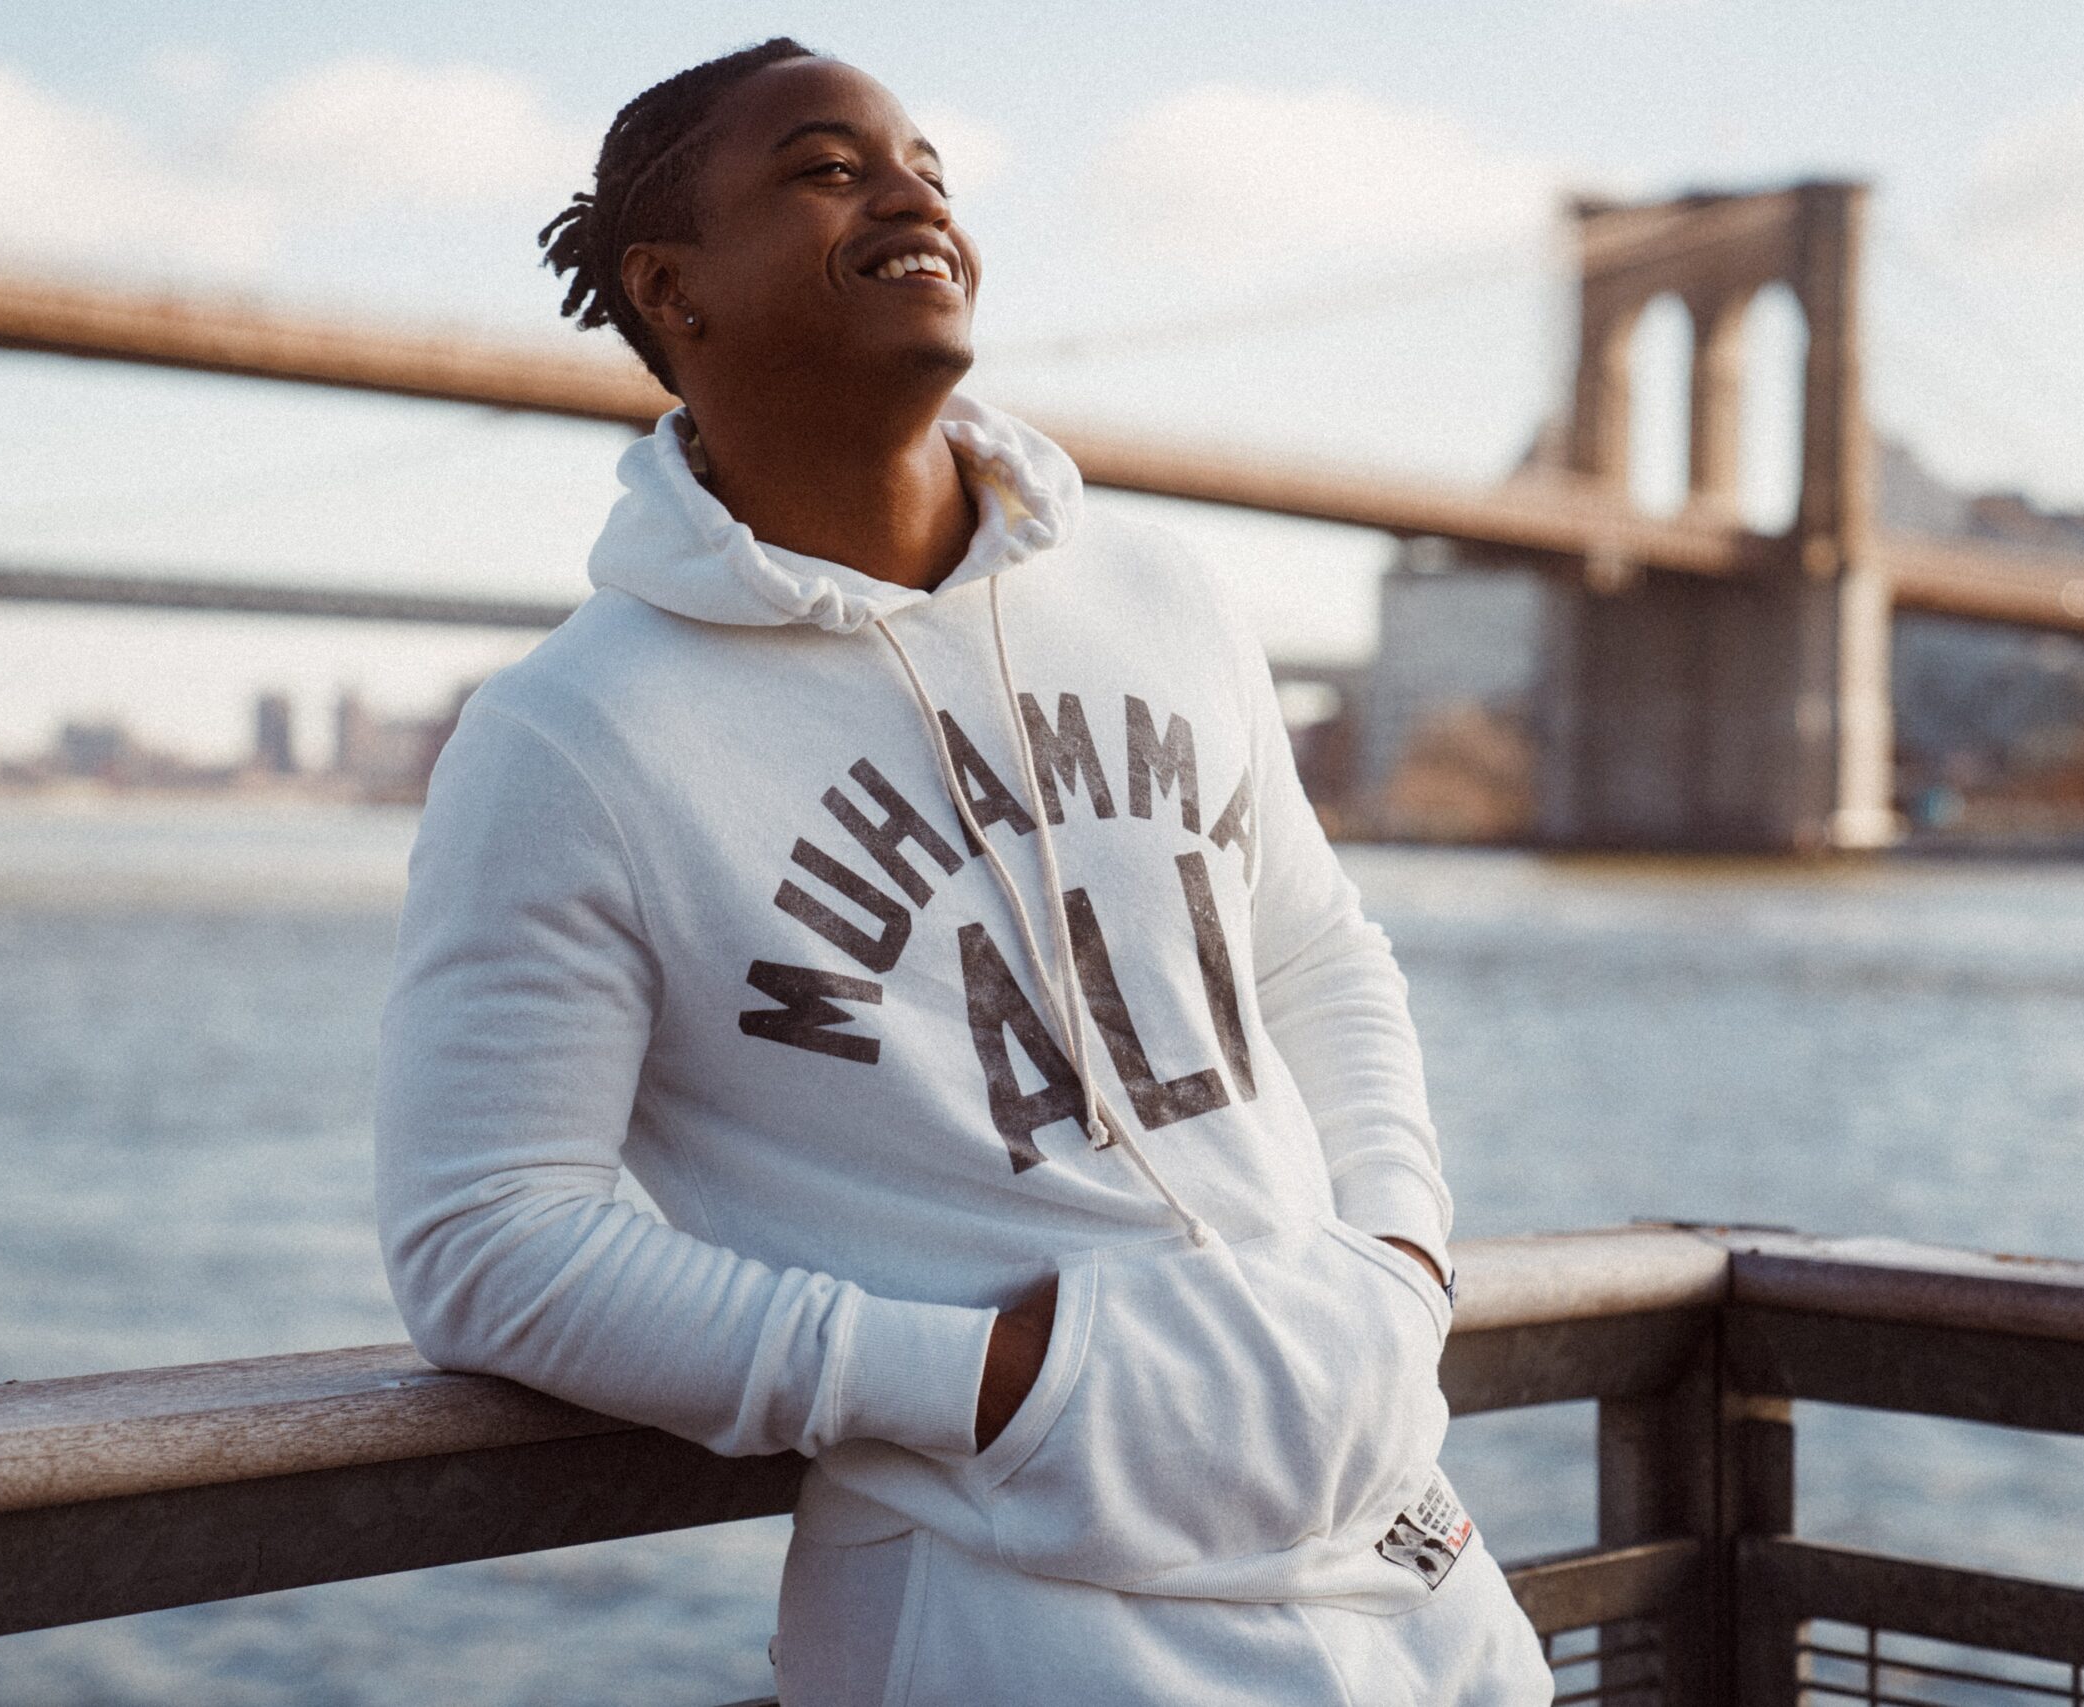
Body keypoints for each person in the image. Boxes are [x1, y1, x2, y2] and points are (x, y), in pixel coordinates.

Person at [373, 35, 1551, 1707]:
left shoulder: (1160, 588)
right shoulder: (571, 740)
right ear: (671, 289)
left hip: (1402, 1551)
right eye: (823, 166)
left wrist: (1400, 1264)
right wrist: (997, 1383)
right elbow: (489, 1239)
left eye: (924, 160)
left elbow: (1314, 958)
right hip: (1012, 1599)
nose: (911, 190)